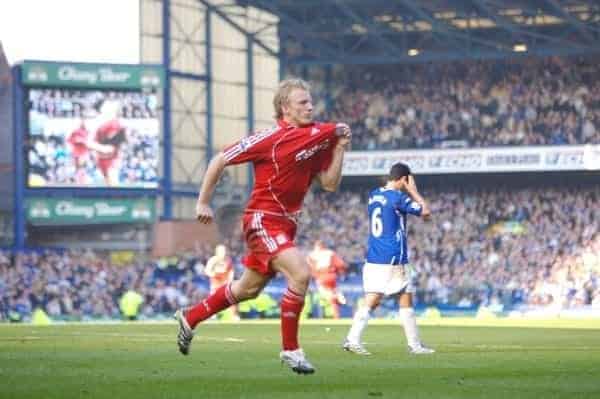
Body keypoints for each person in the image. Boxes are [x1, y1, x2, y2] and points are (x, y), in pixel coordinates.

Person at [174, 78, 352, 374]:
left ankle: (190, 318)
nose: (310, 107)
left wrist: (340, 149)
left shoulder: (314, 142)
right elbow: (220, 160)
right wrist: (203, 202)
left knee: (248, 289)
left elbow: (330, 184)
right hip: (262, 220)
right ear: (285, 108)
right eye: (302, 103)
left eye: (310, 102)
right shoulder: (269, 139)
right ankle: (291, 351)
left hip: (286, 225)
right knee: (301, 273)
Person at [343, 162, 435, 356]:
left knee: (405, 297)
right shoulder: (398, 197)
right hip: (391, 257)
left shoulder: (374, 195)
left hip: (377, 255)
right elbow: (426, 212)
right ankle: (352, 339)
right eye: (407, 181)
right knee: (374, 300)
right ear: (403, 179)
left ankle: (415, 345)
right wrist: (414, 191)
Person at [307, 240, 347, 318]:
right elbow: (341, 265)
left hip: (321, 276)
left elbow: (309, 268)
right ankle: (339, 297)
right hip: (331, 275)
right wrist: (340, 273)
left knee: (326, 295)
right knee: (333, 291)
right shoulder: (330, 253)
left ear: (316, 246)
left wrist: (313, 276)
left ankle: (337, 298)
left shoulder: (311, 255)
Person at [204, 244, 239, 320]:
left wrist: (230, 279)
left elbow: (231, 271)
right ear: (217, 252)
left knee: (231, 299)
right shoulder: (213, 260)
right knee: (213, 300)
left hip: (225, 283)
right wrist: (214, 274)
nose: (223, 252)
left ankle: (234, 315)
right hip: (215, 284)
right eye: (221, 251)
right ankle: (213, 315)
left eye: (224, 251)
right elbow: (207, 270)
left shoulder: (228, 260)